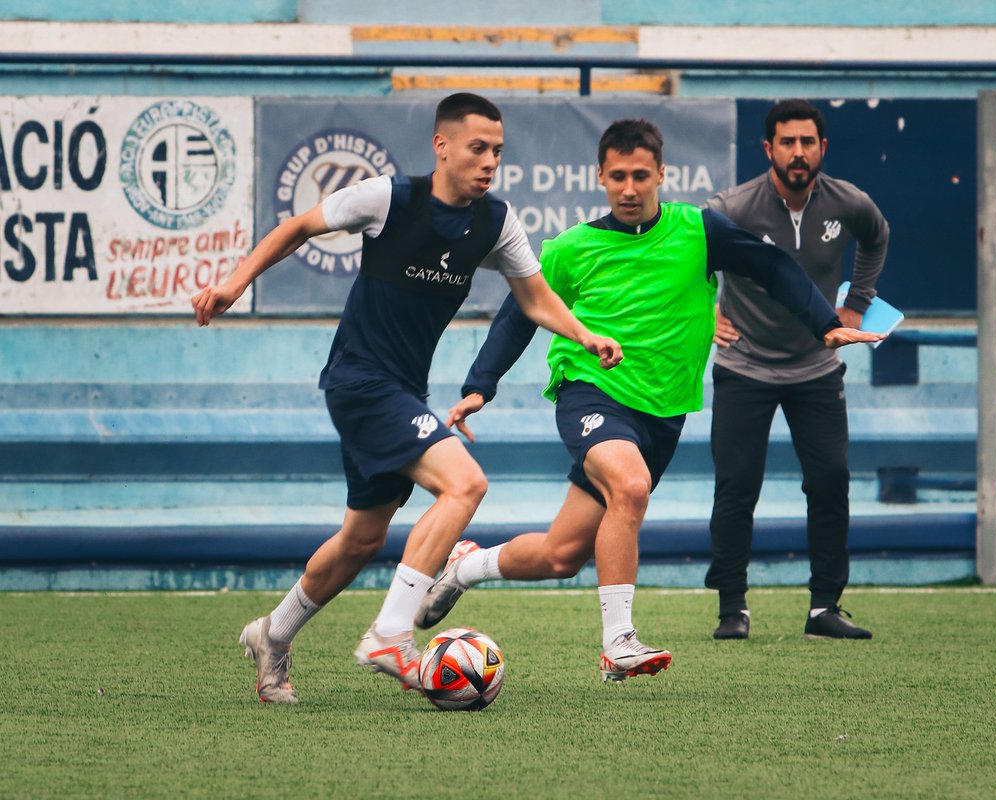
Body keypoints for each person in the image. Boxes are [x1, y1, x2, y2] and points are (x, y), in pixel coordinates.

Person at [412, 118, 883, 681]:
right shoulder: (571, 248)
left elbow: (773, 266)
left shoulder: (698, 230)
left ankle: (468, 566)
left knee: (561, 556)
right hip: (592, 390)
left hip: (662, 413)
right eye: (618, 177)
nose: (629, 188)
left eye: (641, 175)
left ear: (662, 174)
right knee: (630, 486)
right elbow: (518, 315)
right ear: (601, 178)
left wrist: (824, 323)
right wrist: (477, 387)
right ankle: (619, 643)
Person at [191, 93, 621, 704]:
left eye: (497, 151)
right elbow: (296, 227)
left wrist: (583, 333)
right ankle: (391, 632)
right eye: (478, 148)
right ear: (442, 146)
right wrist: (233, 285)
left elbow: (534, 296)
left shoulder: (496, 222)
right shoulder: (388, 197)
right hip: (360, 381)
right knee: (465, 484)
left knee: (361, 539)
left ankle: (272, 634)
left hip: (401, 391)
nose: (489, 161)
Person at [705, 99, 890, 642]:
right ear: (768, 150)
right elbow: (688, 249)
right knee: (737, 486)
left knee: (830, 480)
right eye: (787, 142)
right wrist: (704, 311)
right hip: (745, 365)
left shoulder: (848, 202)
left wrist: (858, 299)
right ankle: (732, 608)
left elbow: (877, 236)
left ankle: (824, 609)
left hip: (816, 366)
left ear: (822, 149)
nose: (798, 152)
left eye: (808, 142)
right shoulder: (734, 207)